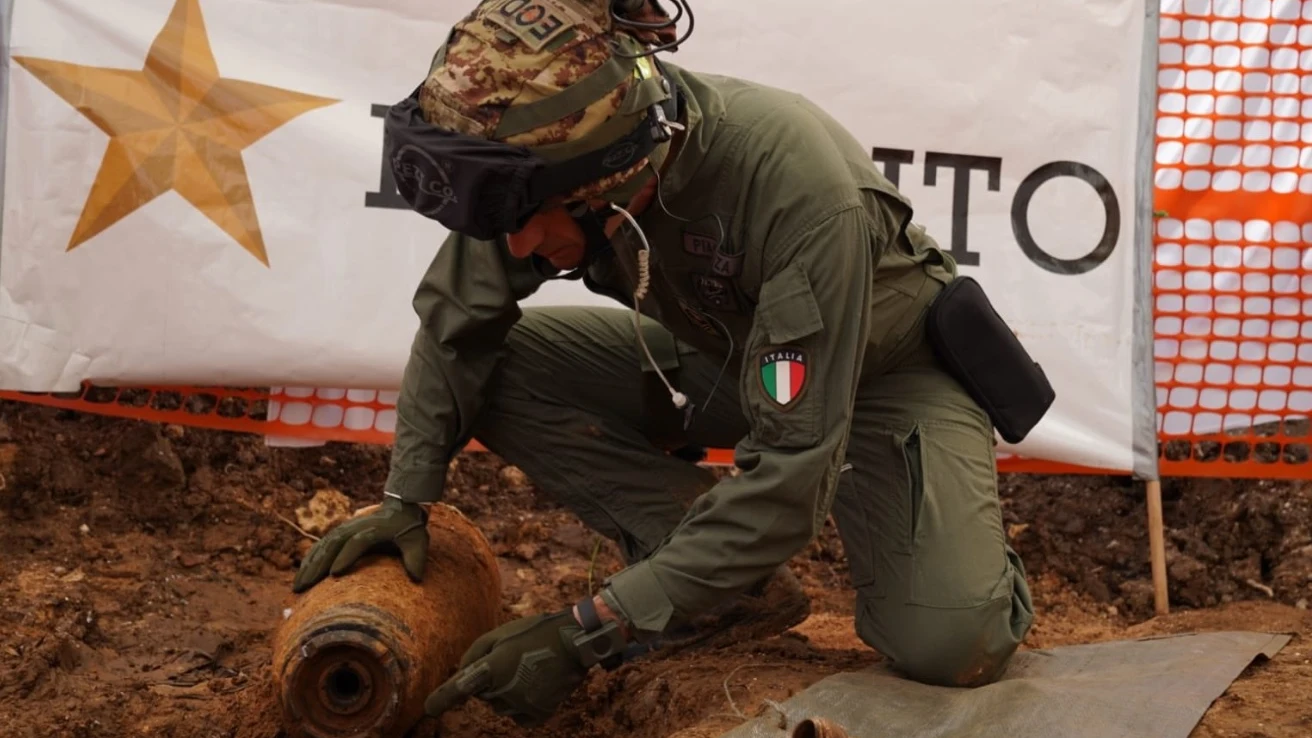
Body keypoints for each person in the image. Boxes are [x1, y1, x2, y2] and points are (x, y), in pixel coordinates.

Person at [292, 0, 1048, 727]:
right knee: (497, 369)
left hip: (885, 378)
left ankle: (943, 526)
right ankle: (730, 589)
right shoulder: (550, 157)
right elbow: (459, 322)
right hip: (724, 357)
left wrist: (590, 629)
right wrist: (406, 496)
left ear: (607, 188)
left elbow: (789, 480)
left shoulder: (798, 195)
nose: (515, 247)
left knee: (952, 645)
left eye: (525, 224)